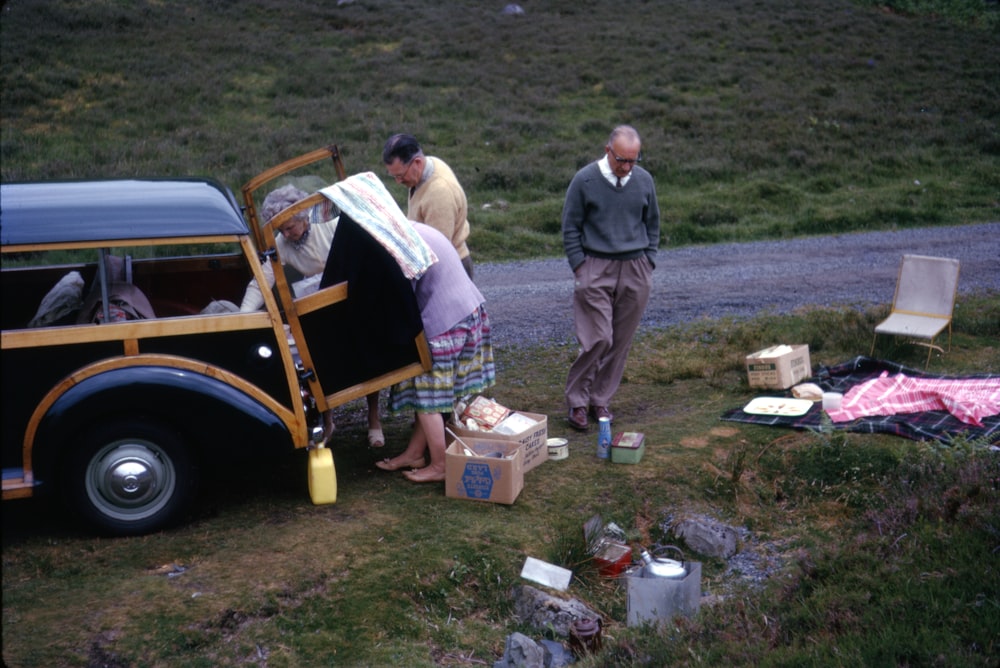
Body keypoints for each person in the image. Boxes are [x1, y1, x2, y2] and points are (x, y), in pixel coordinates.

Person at [240, 184, 385, 447]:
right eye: (280, 229)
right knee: (317, 360)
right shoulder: (282, 244)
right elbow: (261, 280)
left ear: (304, 216)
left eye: (290, 227)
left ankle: (374, 419)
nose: (286, 233)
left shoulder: (329, 225)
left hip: (352, 298)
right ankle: (328, 420)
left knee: (366, 356)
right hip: (318, 309)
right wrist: (243, 317)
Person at [375, 222, 495, 483]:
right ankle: (415, 454)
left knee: (427, 396)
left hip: (446, 319)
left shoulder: (401, 244)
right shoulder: (413, 227)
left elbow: (402, 299)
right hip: (468, 309)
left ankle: (441, 465)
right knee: (432, 394)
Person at [561, 125, 660, 431]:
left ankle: (600, 399)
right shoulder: (585, 180)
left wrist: (649, 260)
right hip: (595, 267)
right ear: (608, 151)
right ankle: (577, 401)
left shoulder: (644, 181)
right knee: (598, 338)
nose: (627, 167)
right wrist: (581, 266)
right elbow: (570, 226)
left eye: (633, 160)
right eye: (621, 160)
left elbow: (652, 223)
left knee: (620, 341)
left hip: (635, 269)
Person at [382, 133, 474, 280]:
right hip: (438, 263)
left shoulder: (439, 193)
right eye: (394, 176)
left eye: (400, 175)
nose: (398, 182)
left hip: (449, 271)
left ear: (417, 163)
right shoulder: (428, 165)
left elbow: (438, 250)